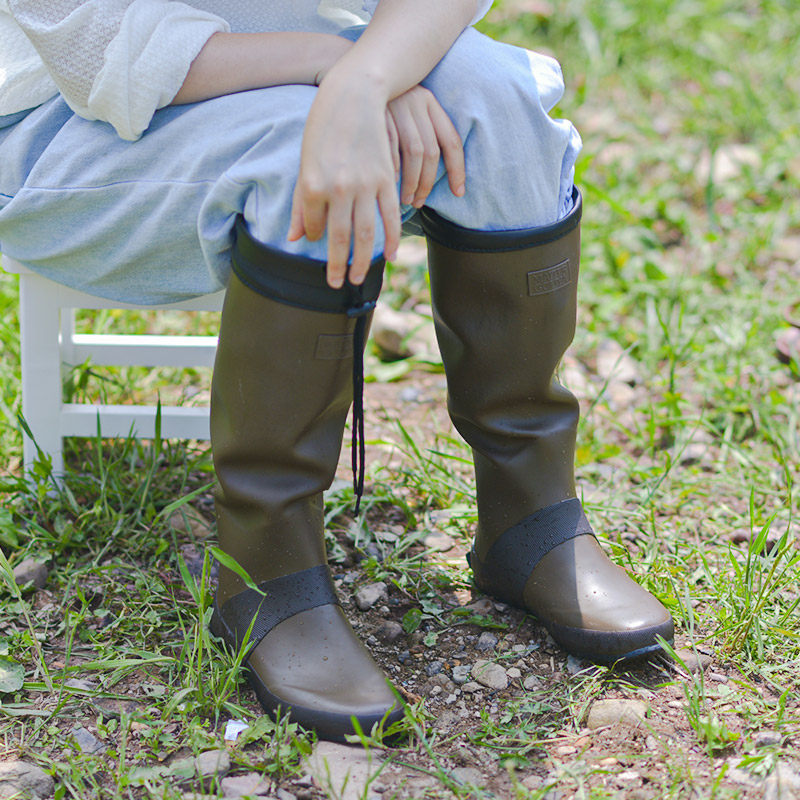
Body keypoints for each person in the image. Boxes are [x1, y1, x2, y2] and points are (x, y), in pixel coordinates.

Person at [0, 0, 673, 741]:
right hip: (61, 121)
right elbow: (106, 53)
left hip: (322, 61)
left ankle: (530, 516)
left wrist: (364, 77)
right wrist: (337, 72)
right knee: (295, 150)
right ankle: (266, 571)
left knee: (497, 99)